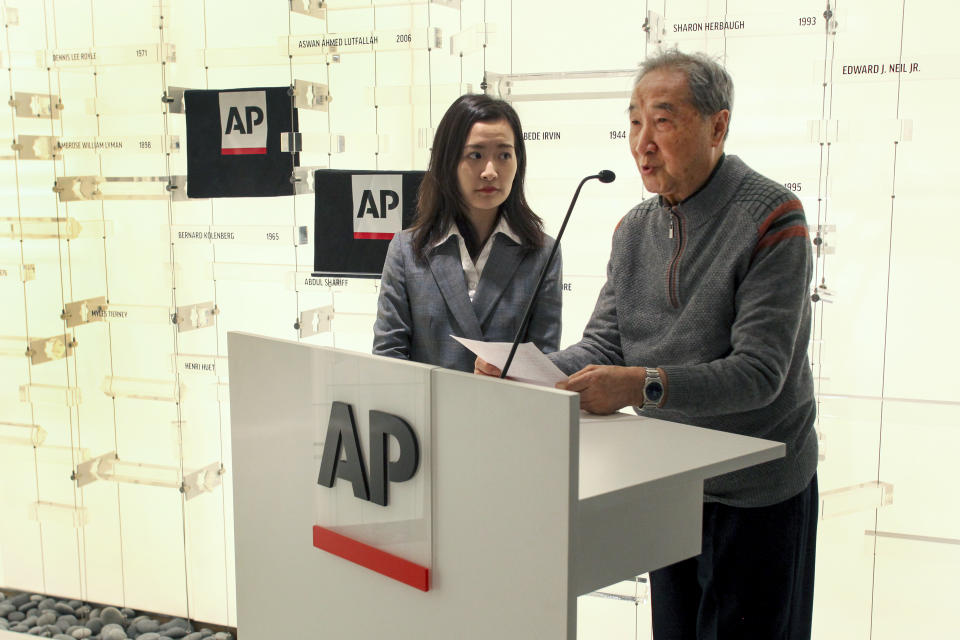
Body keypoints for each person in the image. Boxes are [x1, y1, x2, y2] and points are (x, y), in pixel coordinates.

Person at [477, 50, 819, 638]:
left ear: (718, 125)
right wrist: (527, 372)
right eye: (634, 122)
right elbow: (605, 347)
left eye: (663, 120)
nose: (642, 142)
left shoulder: (772, 219)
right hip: (670, 489)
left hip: (758, 492)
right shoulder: (634, 229)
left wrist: (642, 385)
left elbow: (760, 373)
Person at [373, 94, 562, 372]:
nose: (490, 171)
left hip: (508, 412)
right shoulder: (407, 250)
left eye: (504, 155)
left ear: (518, 162)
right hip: (428, 412)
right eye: (476, 155)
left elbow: (543, 363)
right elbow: (389, 358)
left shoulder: (542, 253)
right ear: (447, 161)